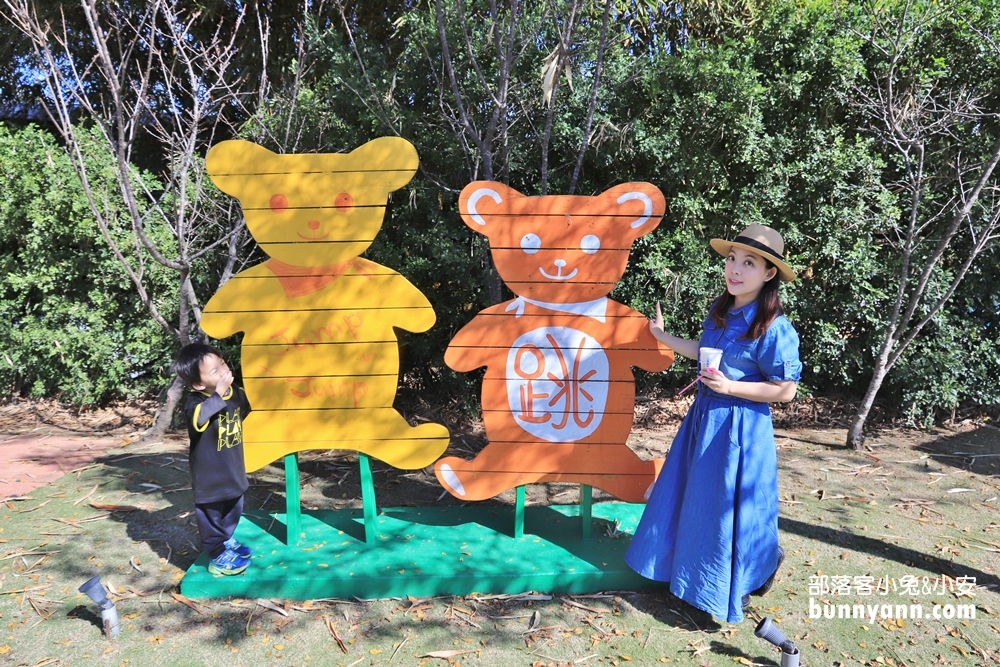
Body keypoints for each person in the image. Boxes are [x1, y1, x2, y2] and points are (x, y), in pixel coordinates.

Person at [625, 224, 801, 624]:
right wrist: (661, 335)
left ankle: (734, 581)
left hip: (740, 431)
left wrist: (732, 387)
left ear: (769, 273)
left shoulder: (773, 327)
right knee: (697, 501)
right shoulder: (722, 312)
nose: (735, 270)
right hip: (704, 422)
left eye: (749, 263)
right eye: (732, 260)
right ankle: (690, 580)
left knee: (726, 508)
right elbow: (701, 351)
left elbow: (786, 391)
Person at [172, 343, 253, 576]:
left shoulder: (235, 392)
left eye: (223, 364)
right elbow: (200, 418)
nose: (223, 372)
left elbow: (247, 410)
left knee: (233, 506)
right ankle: (217, 555)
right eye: (215, 371)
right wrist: (218, 393)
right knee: (211, 514)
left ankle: (226, 538)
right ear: (198, 383)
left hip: (232, 467)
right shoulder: (195, 402)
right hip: (209, 474)